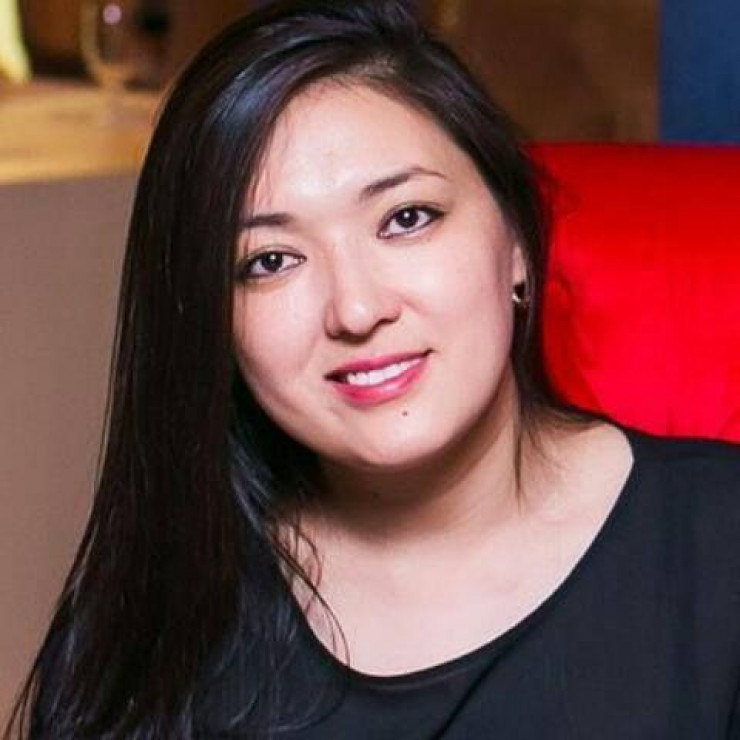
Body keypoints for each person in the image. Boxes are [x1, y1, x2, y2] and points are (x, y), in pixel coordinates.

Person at [6, 1, 740, 738]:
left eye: (406, 218)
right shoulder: (155, 626)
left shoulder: (718, 547)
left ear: (516, 238)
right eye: (271, 261)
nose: (355, 310)